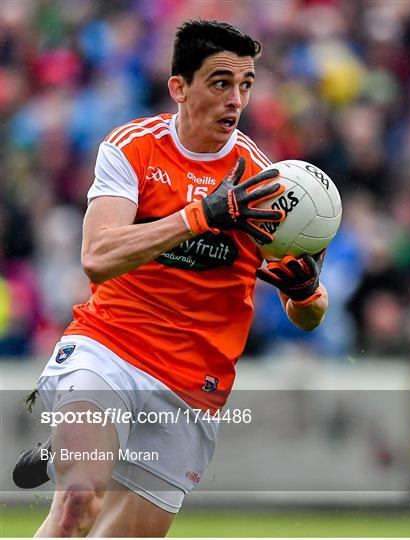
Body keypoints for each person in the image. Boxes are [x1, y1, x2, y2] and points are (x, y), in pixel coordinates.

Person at [13, 19, 328, 537]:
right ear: (179, 87)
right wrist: (199, 216)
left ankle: (65, 453)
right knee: (77, 503)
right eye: (220, 83)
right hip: (110, 347)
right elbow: (97, 255)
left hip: (191, 383)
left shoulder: (265, 182)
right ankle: (77, 454)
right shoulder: (133, 148)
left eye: (246, 84)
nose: (236, 99)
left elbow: (311, 315)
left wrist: (302, 291)